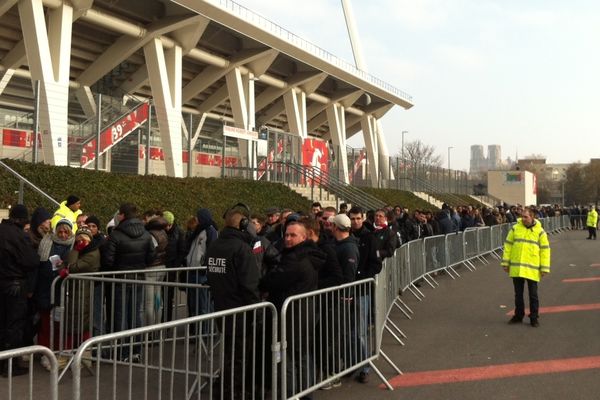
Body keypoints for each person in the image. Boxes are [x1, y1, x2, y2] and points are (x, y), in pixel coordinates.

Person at [206, 208, 260, 399]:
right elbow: (250, 284)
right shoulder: (242, 248)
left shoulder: (214, 246)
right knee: (239, 356)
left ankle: (225, 387)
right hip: (241, 311)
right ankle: (232, 392)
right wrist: (258, 311)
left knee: (230, 352)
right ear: (244, 225)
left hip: (222, 308)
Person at [101, 203, 155, 362]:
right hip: (138, 277)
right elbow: (151, 257)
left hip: (120, 279)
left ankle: (123, 352)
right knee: (135, 314)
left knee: (120, 316)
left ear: (122, 215)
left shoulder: (116, 235)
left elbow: (108, 260)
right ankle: (136, 351)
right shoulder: (146, 234)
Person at [0, 205, 40, 377]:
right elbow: (31, 261)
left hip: (2, 283)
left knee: (2, 323)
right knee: (14, 325)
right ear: (23, 219)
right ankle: (10, 365)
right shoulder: (19, 236)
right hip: (15, 284)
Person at [35, 218, 75, 369]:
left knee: (62, 325)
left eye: (66, 231)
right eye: (60, 231)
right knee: (46, 324)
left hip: (64, 292)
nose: (63, 234)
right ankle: (46, 353)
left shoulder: (73, 244)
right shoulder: (46, 241)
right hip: (46, 289)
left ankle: (61, 354)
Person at [502, 207, 551, 328]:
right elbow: (508, 246)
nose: (522, 219)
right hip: (517, 267)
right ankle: (518, 315)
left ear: (532, 216)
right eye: (522, 216)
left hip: (532, 268)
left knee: (533, 295)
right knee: (518, 295)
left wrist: (544, 268)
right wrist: (505, 263)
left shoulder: (540, 232)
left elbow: (545, 251)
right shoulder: (515, 229)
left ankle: (534, 318)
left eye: (526, 217)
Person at [162, 211, 187, 321]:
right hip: (161, 266)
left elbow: (182, 251)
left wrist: (175, 266)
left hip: (171, 268)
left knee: (168, 296)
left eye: (168, 225)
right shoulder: (161, 231)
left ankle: (166, 322)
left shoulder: (179, 232)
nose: (166, 228)